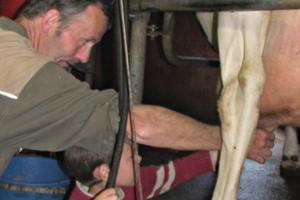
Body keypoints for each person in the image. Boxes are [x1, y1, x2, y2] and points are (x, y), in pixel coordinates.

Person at [0, 0, 274, 176]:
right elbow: (136, 124)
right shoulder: (25, 74)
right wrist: (234, 139)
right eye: (84, 41)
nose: (83, 58)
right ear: (50, 21)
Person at [64, 142, 214, 200]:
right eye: (131, 157)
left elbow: (177, 171)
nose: (139, 158)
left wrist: (215, 156)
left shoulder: (133, 184)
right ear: (106, 172)